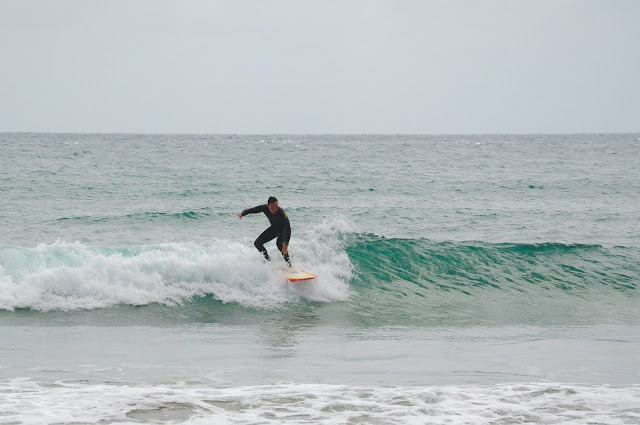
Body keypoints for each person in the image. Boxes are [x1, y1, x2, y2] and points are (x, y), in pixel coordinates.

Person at [236, 196, 292, 266]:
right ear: (268, 206)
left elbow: (288, 228)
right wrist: (242, 214)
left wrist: (286, 244)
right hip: (274, 229)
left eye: (276, 207)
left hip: (283, 230)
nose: (275, 210)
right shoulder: (264, 208)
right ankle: (270, 262)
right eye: (272, 208)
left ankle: (289, 266)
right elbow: (253, 210)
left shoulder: (282, 212)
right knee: (257, 243)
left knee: (279, 244)